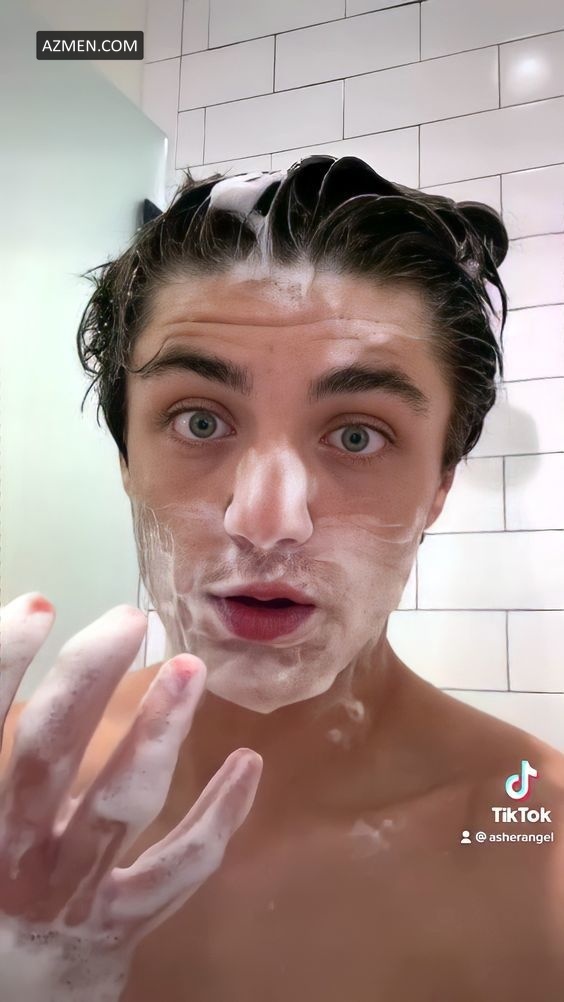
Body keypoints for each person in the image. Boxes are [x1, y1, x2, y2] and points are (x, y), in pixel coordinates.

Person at [2, 155, 564, 1001]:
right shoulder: (12, 802)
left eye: (357, 435)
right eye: (199, 421)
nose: (265, 520)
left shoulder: (540, 841)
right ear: (126, 459)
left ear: (440, 486)